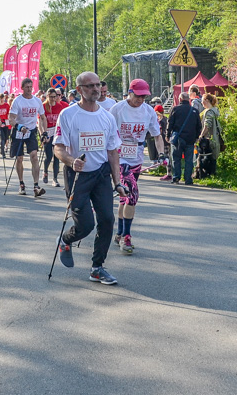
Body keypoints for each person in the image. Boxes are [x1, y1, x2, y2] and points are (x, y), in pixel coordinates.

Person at [53, 71, 127, 285]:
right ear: (79, 90)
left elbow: (113, 152)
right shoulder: (68, 114)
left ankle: (97, 268)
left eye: (97, 85)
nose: (96, 89)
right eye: (90, 86)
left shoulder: (107, 117)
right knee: (85, 225)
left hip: (101, 174)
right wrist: (71, 161)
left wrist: (117, 182)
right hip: (77, 176)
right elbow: (58, 148)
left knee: (107, 220)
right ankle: (65, 240)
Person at [110, 79, 164, 253]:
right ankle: (126, 237)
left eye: (144, 96)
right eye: (138, 96)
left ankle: (119, 232)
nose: (140, 99)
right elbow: (106, 132)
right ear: (130, 93)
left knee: (125, 197)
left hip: (136, 158)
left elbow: (157, 135)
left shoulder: (148, 111)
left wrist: (162, 154)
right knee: (133, 194)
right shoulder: (117, 109)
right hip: (119, 159)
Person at [8, 77, 47, 197]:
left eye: (31, 87)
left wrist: (44, 133)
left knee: (34, 156)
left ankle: (36, 186)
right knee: (19, 158)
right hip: (19, 131)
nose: (29, 89)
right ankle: (21, 184)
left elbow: (43, 118)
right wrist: (19, 126)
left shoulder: (37, 101)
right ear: (22, 88)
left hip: (31, 131)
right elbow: (11, 119)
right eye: (27, 87)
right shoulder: (17, 101)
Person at [167, 92, 202, 185]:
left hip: (178, 139)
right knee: (189, 160)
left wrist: (167, 135)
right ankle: (188, 179)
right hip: (190, 139)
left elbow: (170, 123)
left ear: (180, 99)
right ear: (189, 100)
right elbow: (199, 126)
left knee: (176, 158)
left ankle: (176, 177)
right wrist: (196, 137)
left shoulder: (175, 109)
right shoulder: (194, 111)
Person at [40, 88, 68, 187]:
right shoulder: (43, 106)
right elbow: (40, 122)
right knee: (48, 156)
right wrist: (43, 134)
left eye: (54, 97)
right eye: (51, 97)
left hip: (57, 133)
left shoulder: (60, 106)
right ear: (47, 96)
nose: (53, 99)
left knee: (57, 156)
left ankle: (55, 179)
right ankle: (45, 171)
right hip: (47, 132)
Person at [197, 93, 223, 179]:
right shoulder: (216, 110)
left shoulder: (209, 112)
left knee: (207, 157)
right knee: (212, 159)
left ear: (207, 100)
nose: (201, 103)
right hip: (216, 138)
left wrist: (201, 136)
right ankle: (212, 174)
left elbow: (207, 125)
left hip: (209, 139)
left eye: (202, 101)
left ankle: (206, 175)